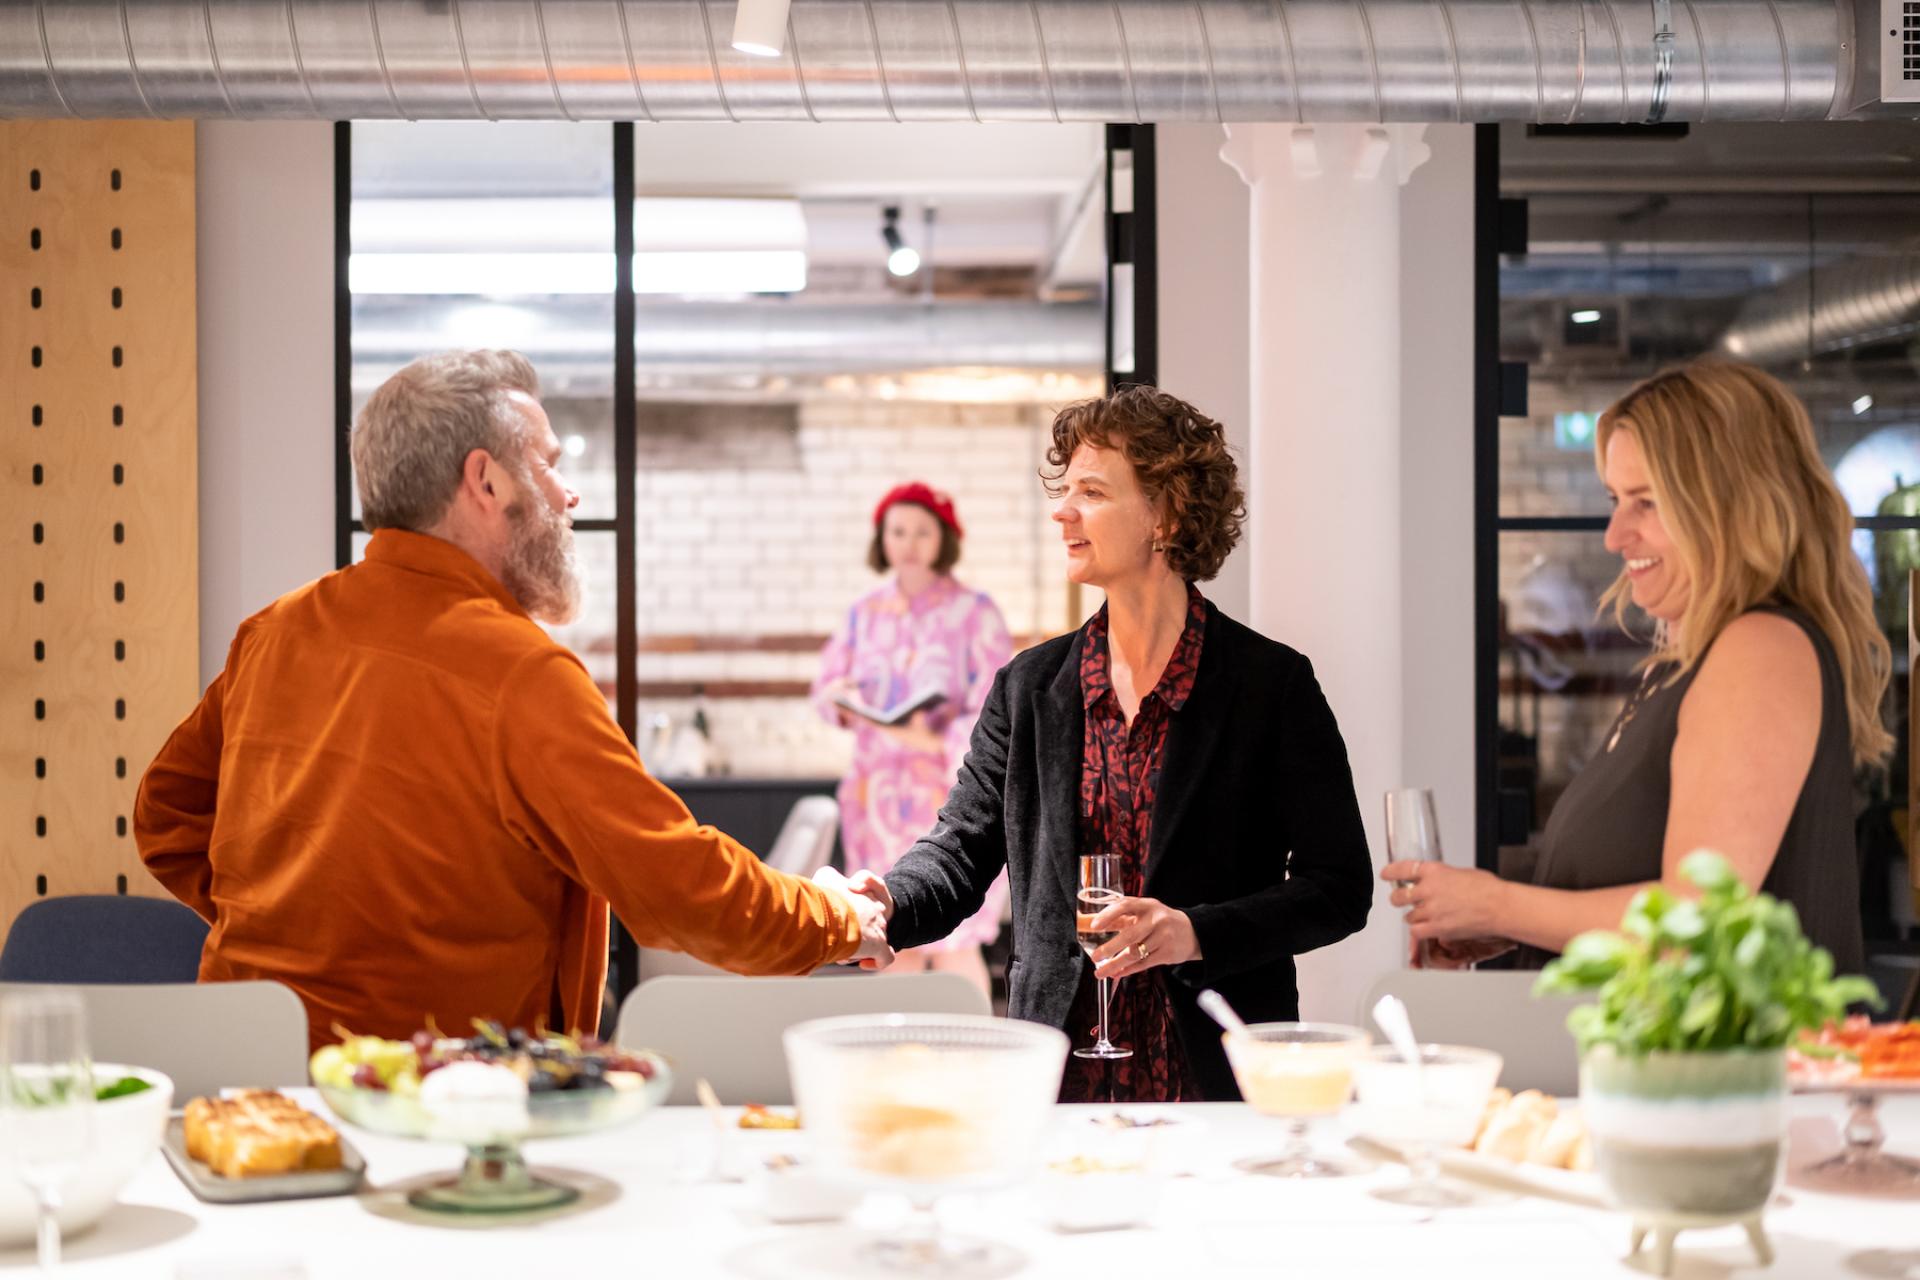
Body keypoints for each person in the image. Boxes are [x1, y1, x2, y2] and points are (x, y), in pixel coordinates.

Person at [135, 350, 891, 1052]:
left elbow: (163, 815)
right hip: (433, 1101)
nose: (570, 493)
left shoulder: (274, 631)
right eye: (550, 465)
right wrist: (837, 919)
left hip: (241, 1078)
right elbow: (680, 889)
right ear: (486, 481)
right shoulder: (521, 673)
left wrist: (283, 923)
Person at [847, 387, 1373, 1102]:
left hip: (1216, 1077)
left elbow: (1339, 889)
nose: (1063, 511)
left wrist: (1195, 932)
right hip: (1057, 1076)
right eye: (1065, 492)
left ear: (1167, 512)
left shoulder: (1270, 686)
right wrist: (889, 901)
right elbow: (962, 849)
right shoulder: (1029, 690)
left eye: (1091, 492)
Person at [1386, 360, 1891, 974]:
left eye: (1646, 503)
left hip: (1722, 1070)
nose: (1614, 535)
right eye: (1615, 499)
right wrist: (1511, 928)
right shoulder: (1684, 665)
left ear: (1729, 507)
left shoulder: (1761, 648)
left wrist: (1496, 906)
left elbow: (1696, 924)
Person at [812, 483, 1013, 996]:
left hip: (947, 794)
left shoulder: (975, 612)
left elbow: (996, 705)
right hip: (875, 796)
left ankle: (971, 1063)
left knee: (956, 940)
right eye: (897, 531)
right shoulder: (864, 612)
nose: (909, 543)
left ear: (943, 538)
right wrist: (841, 697)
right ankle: (893, 1063)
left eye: (922, 531)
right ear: (882, 538)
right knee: (888, 932)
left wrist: (933, 742)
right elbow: (825, 688)